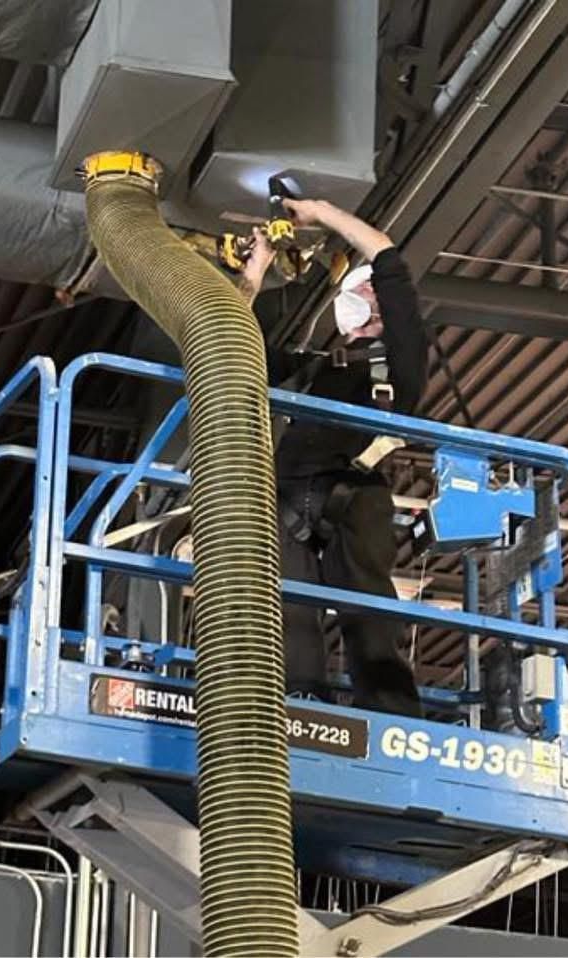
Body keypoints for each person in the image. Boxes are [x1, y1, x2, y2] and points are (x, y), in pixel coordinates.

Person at [238, 198, 426, 718]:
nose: (367, 294)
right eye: (361, 289)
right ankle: (300, 701)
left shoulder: (402, 363)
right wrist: (255, 270)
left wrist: (320, 212)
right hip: (286, 496)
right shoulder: (313, 369)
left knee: (368, 613)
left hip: (354, 492)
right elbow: (232, 337)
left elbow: (386, 256)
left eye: (372, 291)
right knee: (288, 609)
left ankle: (390, 713)